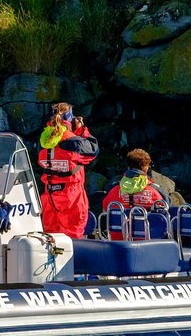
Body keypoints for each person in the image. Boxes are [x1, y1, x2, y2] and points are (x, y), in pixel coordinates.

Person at [37, 102, 99, 237]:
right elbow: (93, 150)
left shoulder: (44, 140)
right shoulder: (73, 141)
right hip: (71, 195)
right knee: (73, 235)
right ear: (70, 119)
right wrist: (81, 130)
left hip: (50, 194)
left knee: (51, 236)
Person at [102, 148, 168, 238]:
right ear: (146, 168)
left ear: (128, 167)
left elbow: (105, 208)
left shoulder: (113, 189)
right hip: (146, 242)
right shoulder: (155, 191)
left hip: (118, 241)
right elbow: (165, 211)